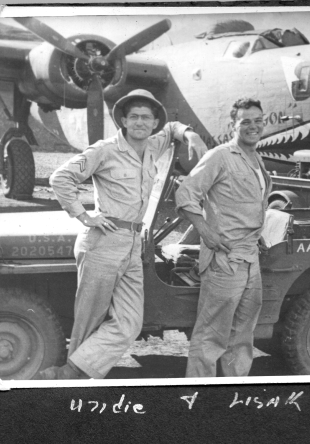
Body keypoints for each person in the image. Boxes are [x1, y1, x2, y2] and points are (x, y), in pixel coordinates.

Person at [38, 89, 207, 379]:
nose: (140, 122)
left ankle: (74, 370)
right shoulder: (104, 150)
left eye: (146, 117)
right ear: (124, 121)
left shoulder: (154, 145)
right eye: (134, 117)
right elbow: (60, 177)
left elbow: (172, 129)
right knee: (89, 320)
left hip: (133, 246)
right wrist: (84, 215)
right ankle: (70, 380)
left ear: (153, 123)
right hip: (103, 242)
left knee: (129, 322)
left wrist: (191, 135)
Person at [175, 97, 272, 378]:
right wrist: (206, 232)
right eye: (245, 122)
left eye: (258, 120)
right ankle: (196, 397)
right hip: (224, 261)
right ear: (233, 125)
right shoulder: (220, 156)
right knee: (210, 337)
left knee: (242, 336)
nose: (253, 127)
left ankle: (233, 393)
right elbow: (185, 194)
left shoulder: (257, 158)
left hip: (250, 258)